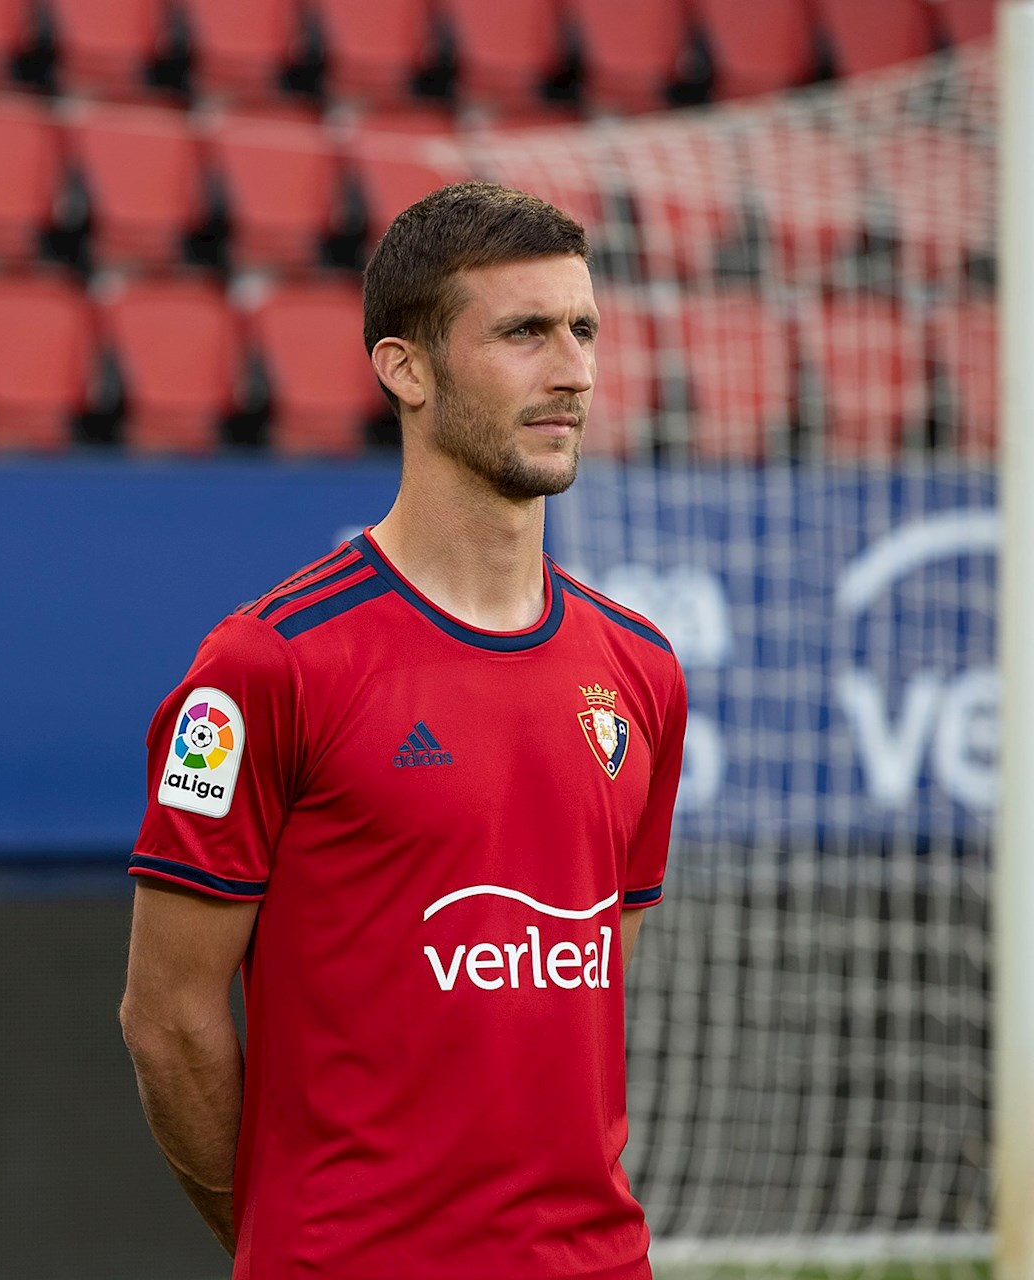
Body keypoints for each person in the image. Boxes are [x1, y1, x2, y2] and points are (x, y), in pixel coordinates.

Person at [119, 182, 688, 1280]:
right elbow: (167, 1019)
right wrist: (286, 1241)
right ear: (406, 369)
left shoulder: (643, 668)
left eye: (583, 330)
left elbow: (588, 986)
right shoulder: (264, 667)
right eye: (524, 332)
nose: (572, 369)